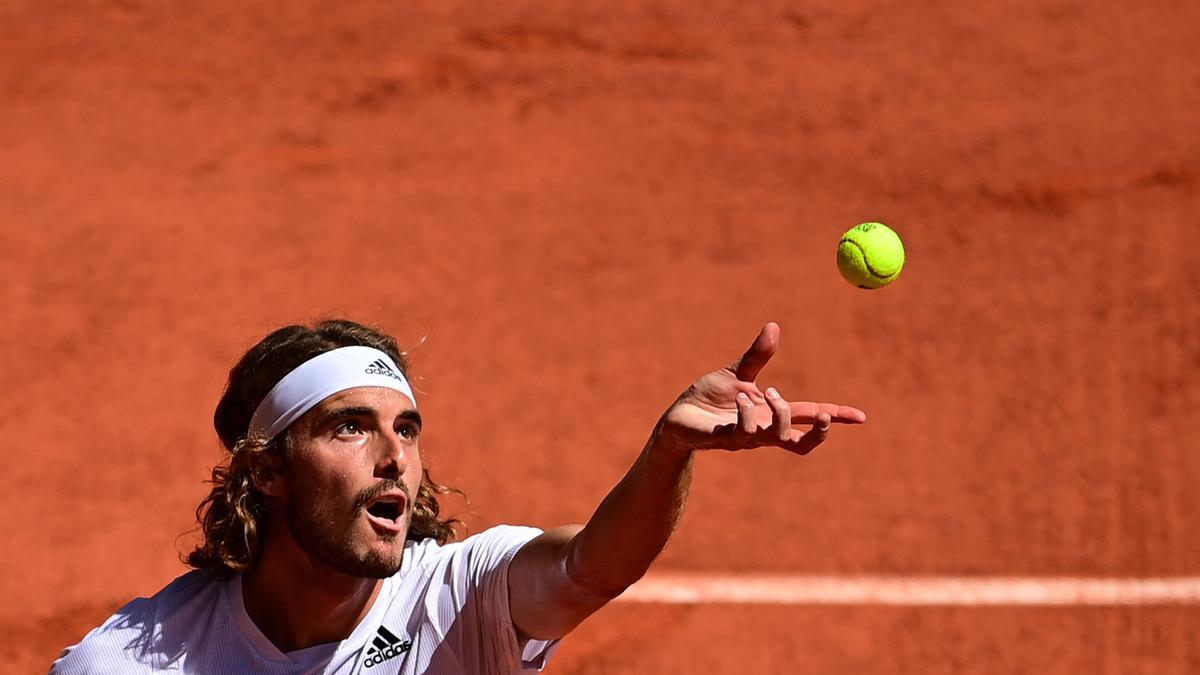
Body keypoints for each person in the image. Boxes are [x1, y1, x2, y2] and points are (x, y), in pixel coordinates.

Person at [52, 318, 865, 674]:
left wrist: (669, 450)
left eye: (406, 428)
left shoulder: (459, 600)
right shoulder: (131, 663)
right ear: (266, 470)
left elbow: (589, 569)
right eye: (348, 428)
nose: (393, 457)